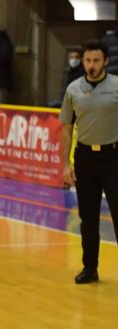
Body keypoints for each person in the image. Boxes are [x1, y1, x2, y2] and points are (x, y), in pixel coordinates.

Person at [60, 39, 118, 284]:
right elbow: (66, 127)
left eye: (96, 60)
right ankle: (89, 268)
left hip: (113, 157)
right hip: (85, 158)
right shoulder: (73, 89)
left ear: (106, 61)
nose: (91, 65)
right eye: (87, 60)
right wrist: (65, 164)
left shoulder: (116, 85)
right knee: (88, 218)